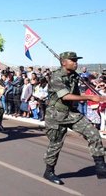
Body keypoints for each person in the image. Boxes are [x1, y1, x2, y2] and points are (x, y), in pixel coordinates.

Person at [43, 51, 106, 184]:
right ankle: (49, 171)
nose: (75, 62)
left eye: (76, 60)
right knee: (55, 144)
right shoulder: (56, 76)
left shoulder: (73, 76)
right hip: (56, 115)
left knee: (93, 132)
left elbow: (76, 94)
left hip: (71, 113)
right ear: (64, 62)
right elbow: (65, 96)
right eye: (72, 60)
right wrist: (90, 97)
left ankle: (101, 166)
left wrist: (87, 95)